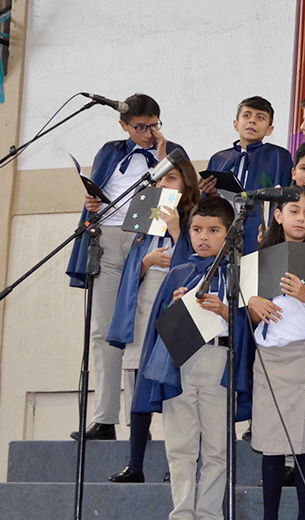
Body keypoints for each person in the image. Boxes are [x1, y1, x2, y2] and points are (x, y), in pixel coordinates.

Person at [66, 93, 185, 441]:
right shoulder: (110, 150)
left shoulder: (172, 151)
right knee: (104, 329)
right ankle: (104, 417)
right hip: (107, 237)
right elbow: (101, 191)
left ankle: (139, 420)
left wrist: (162, 158)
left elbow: (178, 197)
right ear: (124, 125)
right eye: (140, 127)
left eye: (154, 125)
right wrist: (91, 203)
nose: (148, 132)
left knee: (139, 330)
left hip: (145, 239)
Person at [134, 196, 254, 520]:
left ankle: (210, 514)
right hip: (180, 361)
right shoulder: (179, 273)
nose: (203, 237)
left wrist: (226, 311)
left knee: (217, 447)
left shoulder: (240, 274)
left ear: (230, 235)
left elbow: (253, 325)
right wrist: (175, 307)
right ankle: (182, 512)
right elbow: (158, 329)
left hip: (218, 361)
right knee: (180, 446)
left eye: (214, 230)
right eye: (197, 229)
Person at [106, 158, 201, 483]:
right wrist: (144, 263)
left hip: (175, 308)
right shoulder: (146, 222)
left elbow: (197, 264)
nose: (163, 186)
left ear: (185, 184)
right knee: (137, 391)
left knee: (176, 390)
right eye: (160, 180)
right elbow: (132, 270)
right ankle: (135, 465)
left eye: (171, 178)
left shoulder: (195, 219)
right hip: (144, 310)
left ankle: (177, 466)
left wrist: (177, 231)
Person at [247, 185, 305, 519]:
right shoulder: (258, 258)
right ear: (278, 215)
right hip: (269, 361)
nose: (301, 219)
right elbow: (244, 316)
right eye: (294, 212)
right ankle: (270, 515)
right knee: (272, 445)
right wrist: (252, 303)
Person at [204, 96, 293, 254]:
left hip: (259, 233)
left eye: (260, 117)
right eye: (246, 115)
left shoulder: (279, 157)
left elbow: (287, 197)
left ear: (269, 129)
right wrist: (210, 193)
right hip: (224, 233)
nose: (252, 121)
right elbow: (207, 203)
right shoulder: (219, 159)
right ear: (236, 124)